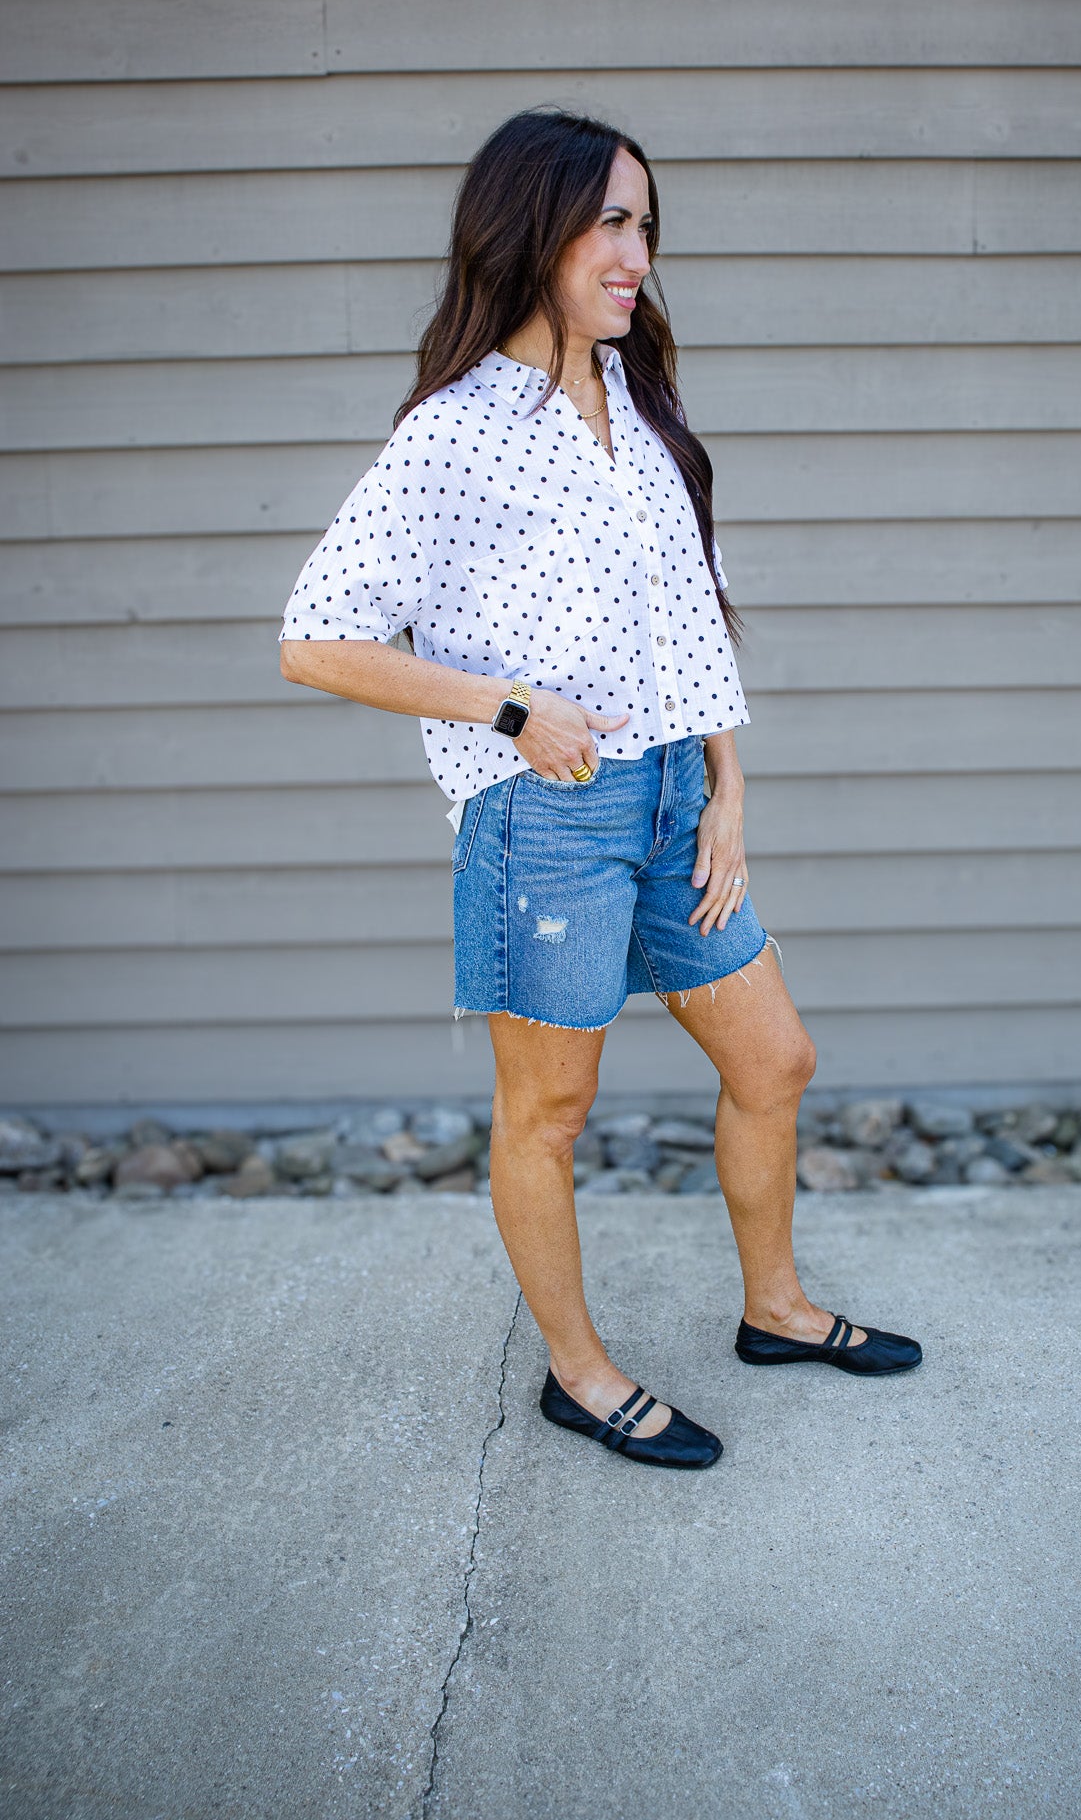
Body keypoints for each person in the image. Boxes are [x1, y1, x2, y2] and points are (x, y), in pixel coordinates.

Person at [280, 108, 922, 1469]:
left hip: (677, 797)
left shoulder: (637, 403)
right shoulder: (454, 436)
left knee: (775, 1059)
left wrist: (728, 786)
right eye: (610, 224)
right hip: (549, 815)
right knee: (550, 1112)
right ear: (531, 233)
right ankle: (578, 1374)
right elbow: (315, 640)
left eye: (645, 224)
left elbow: (697, 610)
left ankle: (774, 1310)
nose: (637, 254)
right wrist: (510, 710)